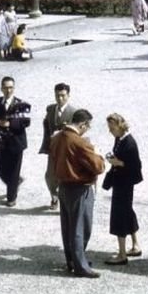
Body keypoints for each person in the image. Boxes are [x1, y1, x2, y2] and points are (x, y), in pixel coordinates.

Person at [51, 109, 105, 278]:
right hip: (80, 188)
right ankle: (80, 266)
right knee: (81, 228)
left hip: (64, 186)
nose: (86, 131)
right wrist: (97, 153)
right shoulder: (80, 143)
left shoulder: (57, 137)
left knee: (68, 227)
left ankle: (72, 260)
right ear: (83, 124)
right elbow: (98, 166)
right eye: (86, 127)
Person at [103, 113, 143, 266]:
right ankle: (135, 245)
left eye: (112, 128)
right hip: (122, 181)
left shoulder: (129, 143)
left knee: (119, 215)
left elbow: (135, 166)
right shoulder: (120, 139)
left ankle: (122, 254)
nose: (110, 131)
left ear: (120, 126)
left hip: (124, 182)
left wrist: (118, 162)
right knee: (127, 211)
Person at [0, 77, 31, 207]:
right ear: (1, 88)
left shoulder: (20, 104)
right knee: (0, 168)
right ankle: (15, 183)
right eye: (6, 87)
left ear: (14, 88)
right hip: (2, 141)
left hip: (16, 142)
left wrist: (7, 123)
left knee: (14, 170)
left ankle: (11, 197)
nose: (8, 90)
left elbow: (26, 122)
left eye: (11, 87)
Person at [39, 83, 76, 210]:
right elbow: (46, 125)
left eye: (63, 95)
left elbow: (77, 132)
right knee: (50, 175)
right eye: (57, 95)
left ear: (68, 96)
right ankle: (54, 196)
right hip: (52, 149)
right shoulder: (50, 109)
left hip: (66, 150)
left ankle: (65, 200)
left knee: (65, 176)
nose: (60, 98)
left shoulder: (74, 112)